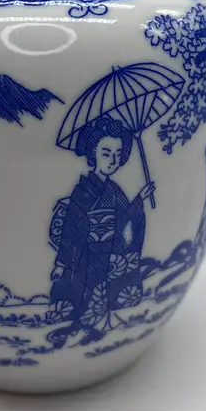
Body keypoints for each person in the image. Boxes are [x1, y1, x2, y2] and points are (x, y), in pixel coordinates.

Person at [48, 115, 155, 347]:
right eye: (106, 153)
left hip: (109, 251)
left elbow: (124, 218)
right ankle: (82, 329)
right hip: (87, 253)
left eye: (117, 154)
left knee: (104, 292)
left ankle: (97, 328)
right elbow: (72, 226)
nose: (112, 160)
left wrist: (140, 200)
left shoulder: (114, 189)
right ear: (93, 153)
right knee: (88, 292)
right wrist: (62, 262)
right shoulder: (83, 189)